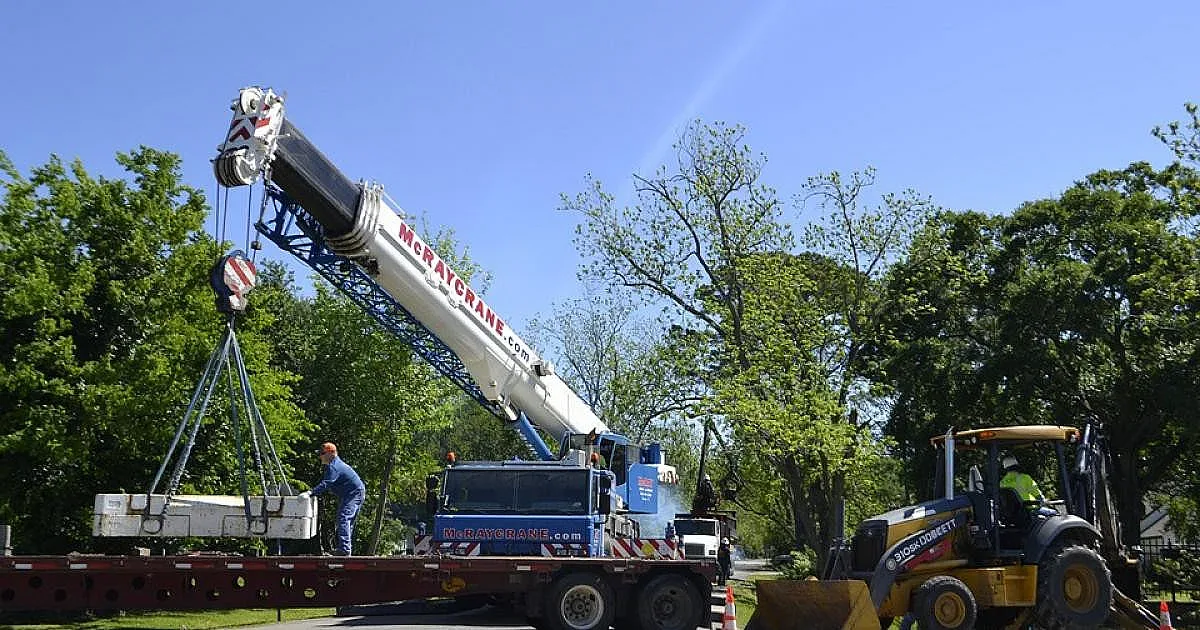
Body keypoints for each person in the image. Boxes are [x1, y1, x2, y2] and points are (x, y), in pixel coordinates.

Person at [300, 442, 365, 556]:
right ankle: (345, 549)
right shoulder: (334, 465)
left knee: (344, 517)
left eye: (322, 453)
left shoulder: (334, 467)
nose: (320, 456)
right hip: (352, 493)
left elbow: (326, 483)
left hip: (353, 494)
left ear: (332, 453)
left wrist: (310, 493)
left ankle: (344, 550)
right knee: (346, 520)